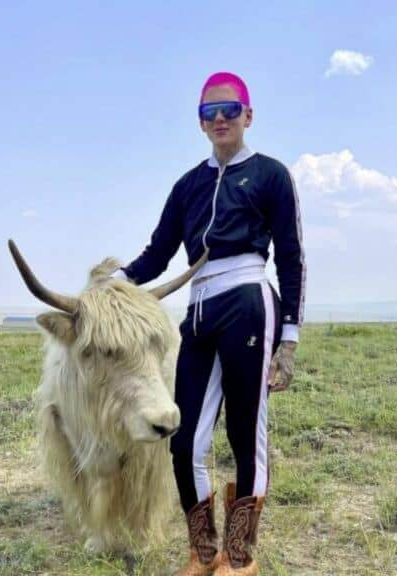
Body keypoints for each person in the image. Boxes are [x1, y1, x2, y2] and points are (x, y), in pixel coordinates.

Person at [114, 72, 304, 576]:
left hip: (248, 300)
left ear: (248, 114)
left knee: (246, 434)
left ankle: (239, 558)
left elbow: (290, 256)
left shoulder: (271, 175)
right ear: (199, 122)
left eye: (229, 109)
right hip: (195, 314)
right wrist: (115, 282)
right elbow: (157, 254)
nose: (219, 118)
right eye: (208, 112)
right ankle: (203, 552)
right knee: (184, 441)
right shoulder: (187, 186)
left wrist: (288, 340)